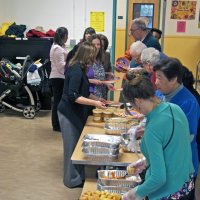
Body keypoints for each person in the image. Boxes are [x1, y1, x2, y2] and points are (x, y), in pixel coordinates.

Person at [122, 73, 194, 200]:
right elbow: (175, 147)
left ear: (138, 101)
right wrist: (146, 161)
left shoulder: (152, 130)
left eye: (132, 105)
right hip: (186, 186)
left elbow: (158, 178)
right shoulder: (175, 108)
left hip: (167, 193)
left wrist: (133, 194)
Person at [57, 41, 106, 188]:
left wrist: (98, 99)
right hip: (68, 113)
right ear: (86, 56)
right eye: (92, 57)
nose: (93, 60)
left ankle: (78, 177)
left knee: (77, 147)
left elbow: (83, 92)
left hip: (74, 113)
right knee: (71, 148)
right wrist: (95, 104)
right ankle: (71, 180)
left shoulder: (80, 68)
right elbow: (74, 96)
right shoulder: (77, 70)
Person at [154, 58, 200, 199]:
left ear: (173, 79)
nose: (156, 83)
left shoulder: (188, 102)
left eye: (159, 78)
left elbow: (187, 137)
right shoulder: (161, 94)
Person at [49, 27, 68, 132]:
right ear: (64, 36)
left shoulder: (60, 47)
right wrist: (70, 64)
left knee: (58, 101)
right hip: (58, 78)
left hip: (60, 77)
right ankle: (56, 125)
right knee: (57, 102)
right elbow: (61, 66)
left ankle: (58, 124)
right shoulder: (57, 49)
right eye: (67, 36)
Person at [87, 34, 114, 100]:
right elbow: (79, 79)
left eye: (98, 44)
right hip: (90, 96)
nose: (96, 46)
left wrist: (107, 84)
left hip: (101, 95)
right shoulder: (85, 59)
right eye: (94, 44)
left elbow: (100, 78)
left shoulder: (99, 59)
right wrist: (91, 80)